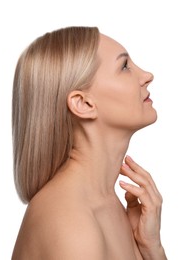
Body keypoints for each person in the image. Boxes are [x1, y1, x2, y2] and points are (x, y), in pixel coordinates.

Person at [11, 26, 167, 259]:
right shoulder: (71, 223)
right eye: (124, 67)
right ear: (83, 104)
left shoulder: (106, 202)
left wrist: (152, 248)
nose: (147, 75)